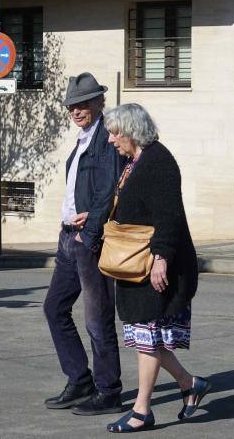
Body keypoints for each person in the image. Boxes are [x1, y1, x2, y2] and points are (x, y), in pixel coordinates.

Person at [101, 103, 209, 433]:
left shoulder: (159, 162)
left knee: (148, 336)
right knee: (147, 337)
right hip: (136, 264)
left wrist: (161, 258)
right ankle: (190, 384)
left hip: (156, 266)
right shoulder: (133, 162)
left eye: (115, 132)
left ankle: (141, 411)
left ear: (132, 131)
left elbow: (170, 216)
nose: (110, 140)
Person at [43, 72, 125, 416]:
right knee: (54, 307)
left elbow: (108, 192)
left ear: (99, 103)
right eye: (72, 106)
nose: (76, 111)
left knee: (98, 318)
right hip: (69, 239)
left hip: (89, 240)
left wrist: (88, 232)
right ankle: (79, 379)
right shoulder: (82, 139)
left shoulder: (107, 140)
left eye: (83, 104)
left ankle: (108, 391)